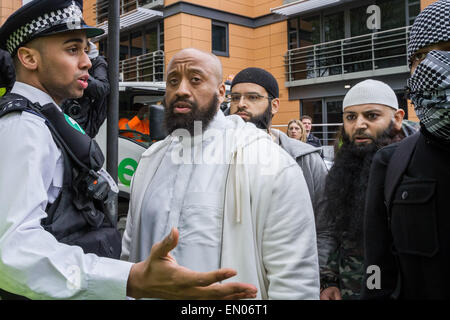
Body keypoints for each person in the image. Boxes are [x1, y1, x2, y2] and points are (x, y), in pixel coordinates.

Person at [0, 0, 257, 300]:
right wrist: (130, 278)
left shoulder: (48, 117)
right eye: (73, 49)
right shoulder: (24, 127)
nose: (86, 62)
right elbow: (12, 248)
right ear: (29, 58)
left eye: (86, 49)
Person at [121, 49, 320, 300]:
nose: (181, 89)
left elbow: (296, 282)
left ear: (221, 92)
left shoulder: (268, 162)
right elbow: (129, 256)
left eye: (195, 79)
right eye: (173, 81)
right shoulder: (150, 161)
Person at [362, 0, 450, 300]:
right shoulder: (391, 162)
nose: (434, 68)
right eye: (422, 56)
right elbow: (376, 269)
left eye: (449, 50)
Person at [319, 79, 418, 300]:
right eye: (350, 117)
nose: (359, 125)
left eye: (371, 116)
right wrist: (329, 280)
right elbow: (335, 230)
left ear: (398, 118)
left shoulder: (417, 165)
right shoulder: (343, 166)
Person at [228, 67, 330, 268]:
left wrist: (322, 277)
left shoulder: (305, 159)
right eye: (235, 98)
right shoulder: (217, 157)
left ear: (274, 105)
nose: (241, 104)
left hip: (291, 273)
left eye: (253, 97)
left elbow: (325, 227)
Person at [61, 41, 109, 138]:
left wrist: (81, 75)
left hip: (83, 124)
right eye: (73, 50)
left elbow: (102, 88)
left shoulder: (97, 62)